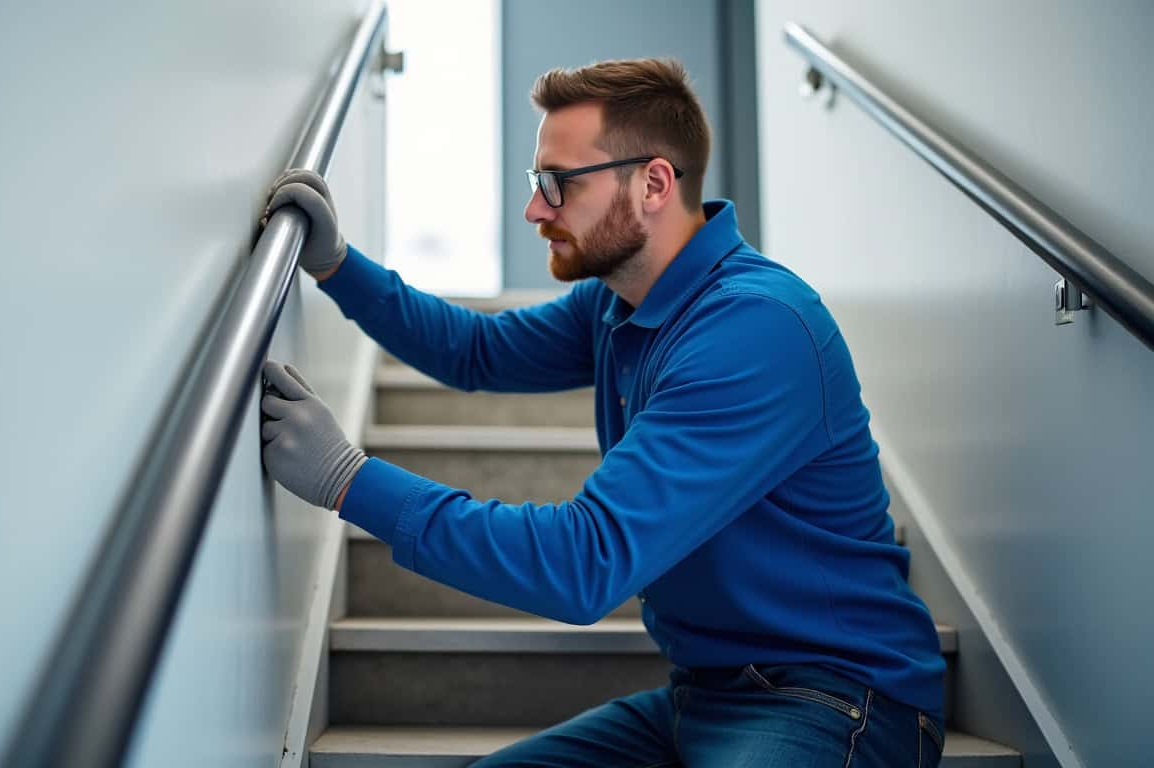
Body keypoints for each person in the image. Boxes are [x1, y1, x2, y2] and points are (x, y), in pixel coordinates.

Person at [258, 58, 946, 767]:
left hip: (836, 700)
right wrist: (336, 263)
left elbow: (585, 563)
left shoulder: (755, 330)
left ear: (652, 183)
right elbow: (476, 350)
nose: (535, 209)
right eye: (536, 184)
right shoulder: (620, 302)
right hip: (702, 700)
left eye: (558, 184)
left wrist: (348, 479)